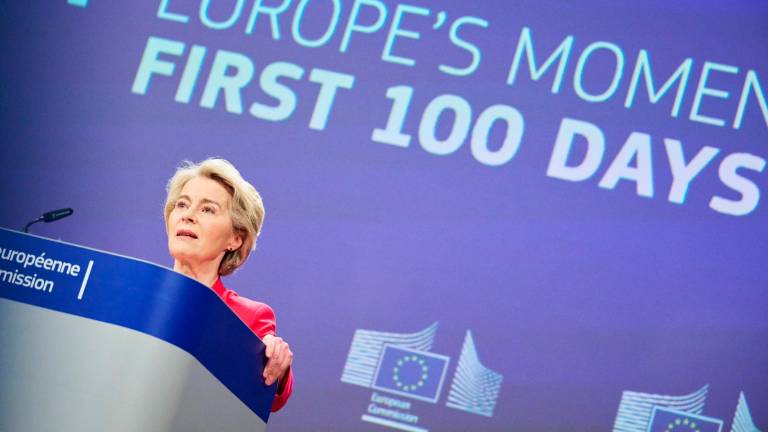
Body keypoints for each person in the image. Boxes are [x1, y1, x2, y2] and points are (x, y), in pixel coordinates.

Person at [164, 158, 293, 412]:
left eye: (207, 210)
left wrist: (278, 362)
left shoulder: (248, 316)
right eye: (182, 204)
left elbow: (270, 396)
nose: (187, 216)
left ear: (235, 238)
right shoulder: (133, 289)